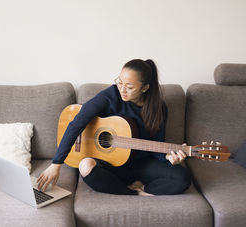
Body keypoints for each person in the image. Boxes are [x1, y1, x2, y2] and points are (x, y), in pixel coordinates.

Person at [37, 59, 191, 196]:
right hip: (111, 165)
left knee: (182, 178)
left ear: (145, 88)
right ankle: (132, 192)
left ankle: (143, 189)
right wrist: (56, 163)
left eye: (129, 87)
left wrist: (169, 157)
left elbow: (157, 145)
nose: (122, 90)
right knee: (85, 166)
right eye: (120, 82)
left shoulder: (159, 108)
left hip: (142, 164)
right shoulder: (111, 95)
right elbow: (77, 122)